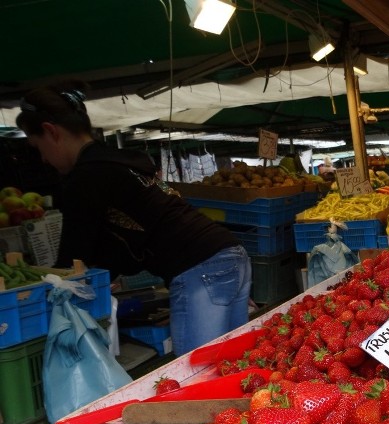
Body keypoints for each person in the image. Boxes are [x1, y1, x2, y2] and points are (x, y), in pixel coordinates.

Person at [16, 84, 252, 357]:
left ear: (51, 131)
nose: (43, 159)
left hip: (200, 268)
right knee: (232, 361)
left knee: (194, 369)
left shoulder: (86, 176)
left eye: (38, 147)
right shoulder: (121, 162)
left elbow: (73, 256)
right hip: (230, 254)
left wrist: (47, 286)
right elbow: (126, 230)